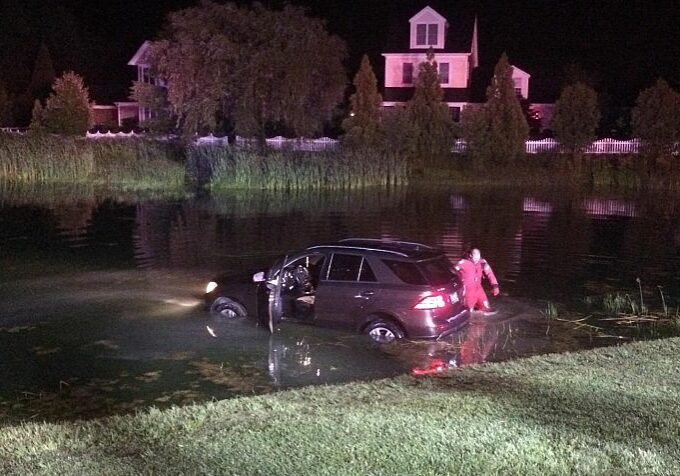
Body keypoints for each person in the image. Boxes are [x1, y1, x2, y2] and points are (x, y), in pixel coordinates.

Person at [454, 248, 500, 314]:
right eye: (475, 258)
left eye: (478, 258)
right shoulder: (463, 263)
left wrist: (495, 285)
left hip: (478, 289)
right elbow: (452, 272)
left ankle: (478, 307)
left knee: (487, 308)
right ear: (470, 255)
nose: (477, 260)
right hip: (468, 291)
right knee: (468, 311)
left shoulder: (482, 262)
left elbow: (490, 273)